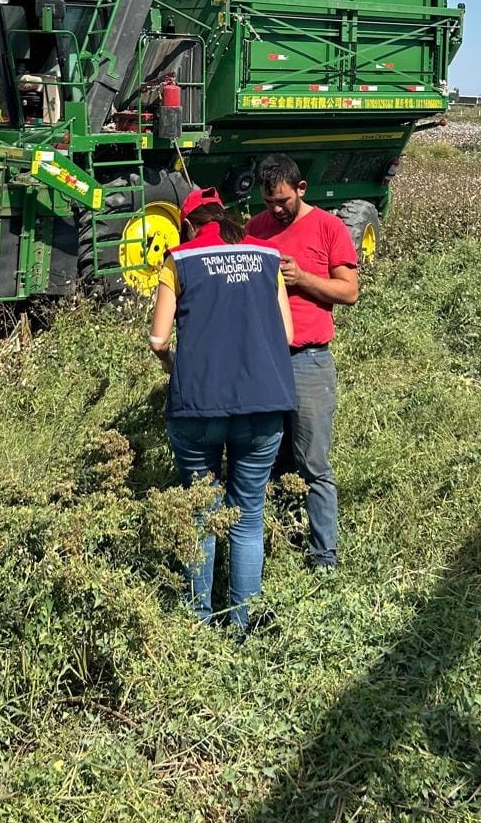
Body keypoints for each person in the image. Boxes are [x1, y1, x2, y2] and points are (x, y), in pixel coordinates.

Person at [149, 185, 295, 632]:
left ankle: (198, 620)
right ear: (226, 215)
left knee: (202, 512)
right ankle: (243, 623)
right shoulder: (267, 256)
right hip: (263, 403)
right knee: (249, 514)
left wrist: (177, 366)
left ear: (189, 223)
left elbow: (157, 339)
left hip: (198, 406)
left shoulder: (179, 259)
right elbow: (287, 336)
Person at [245, 154, 358, 573]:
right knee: (269, 458)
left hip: (309, 360)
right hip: (265, 361)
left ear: (301, 189)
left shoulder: (329, 227)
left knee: (312, 462)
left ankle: (324, 554)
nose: (275, 209)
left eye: (283, 201)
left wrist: (302, 278)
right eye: (268, 201)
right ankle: (278, 541)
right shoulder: (256, 229)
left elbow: (348, 293)